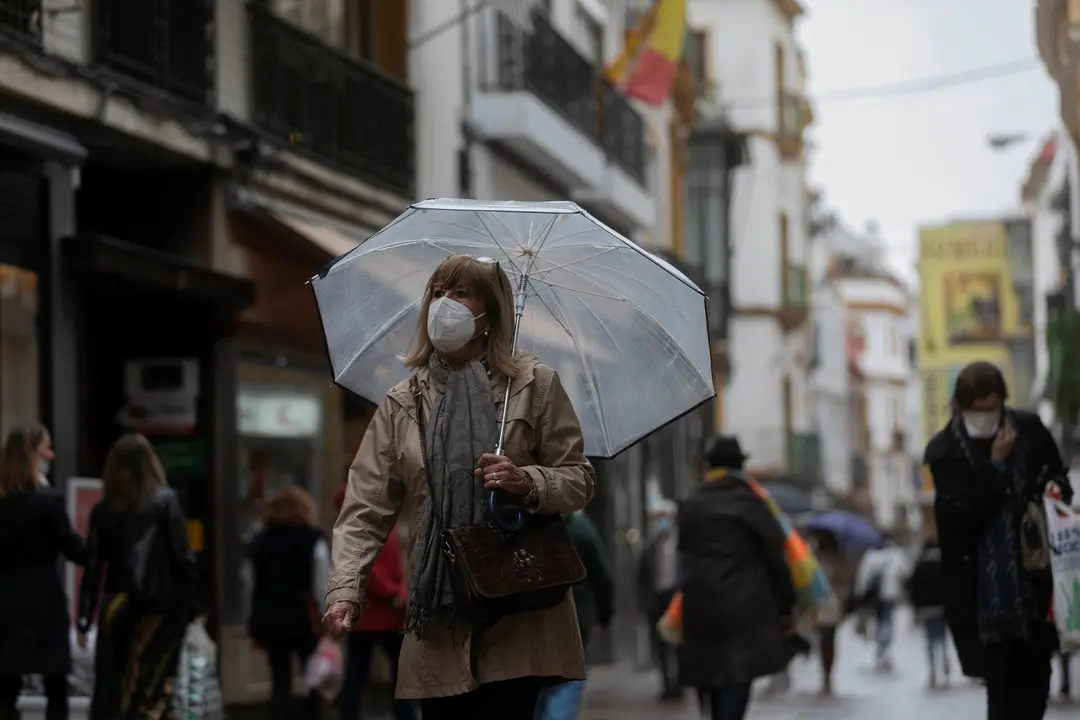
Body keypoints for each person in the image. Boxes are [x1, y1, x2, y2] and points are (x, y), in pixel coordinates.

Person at [322, 255, 596, 720]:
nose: (443, 303)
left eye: (461, 293)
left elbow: (579, 480)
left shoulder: (534, 386)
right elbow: (364, 508)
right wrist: (345, 590)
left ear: (490, 314)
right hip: (438, 614)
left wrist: (526, 480)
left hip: (518, 606)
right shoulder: (403, 403)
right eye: (437, 293)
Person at [925, 361, 1071, 720]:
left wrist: (1055, 488)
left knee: (1036, 688)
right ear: (961, 406)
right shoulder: (946, 452)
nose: (986, 418)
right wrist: (996, 467)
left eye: (993, 409)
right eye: (978, 411)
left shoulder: (1029, 430)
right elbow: (961, 519)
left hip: (1035, 585)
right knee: (1002, 697)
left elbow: (1058, 476)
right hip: (982, 600)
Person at [78, 433, 200, 720]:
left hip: (116, 607)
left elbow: (93, 567)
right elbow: (183, 557)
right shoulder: (166, 502)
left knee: (113, 686)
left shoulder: (103, 510)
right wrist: (193, 604)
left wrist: (84, 617)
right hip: (160, 610)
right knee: (150, 685)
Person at [679, 435, 795, 720]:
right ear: (741, 466)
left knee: (711, 677)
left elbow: (683, 551)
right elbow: (775, 558)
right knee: (737, 677)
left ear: (710, 466)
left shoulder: (692, 504)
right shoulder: (753, 503)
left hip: (700, 605)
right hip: (744, 608)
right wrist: (786, 605)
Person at [0, 425, 85, 720]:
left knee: (6, 685)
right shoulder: (49, 501)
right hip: (44, 601)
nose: (51, 455)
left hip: (6, 601)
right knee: (55, 686)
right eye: (45, 449)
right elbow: (74, 550)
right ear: (31, 455)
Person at [332, 482, 418, 720]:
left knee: (361, 672)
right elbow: (368, 571)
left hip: (375, 614)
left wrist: (401, 591)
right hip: (381, 612)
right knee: (389, 673)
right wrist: (394, 593)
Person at [246, 485, 328, 720]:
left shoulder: (260, 540)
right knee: (315, 677)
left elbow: (250, 582)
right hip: (305, 617)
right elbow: (321, 581)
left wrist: (253, 618)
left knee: (280, 680)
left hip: (271, 616)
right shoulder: (313, 538)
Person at [535, 509, 614, 720]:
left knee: (534, 689)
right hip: (573, 624)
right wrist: (605, 617)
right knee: (566, 684)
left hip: (533, 626)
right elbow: (602, 579)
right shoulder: (581, 530)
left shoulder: (525, 523)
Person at [638, 500, 681, 702]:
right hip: (656, 601)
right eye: (659, 518)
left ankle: (678, 682)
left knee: (678, 644)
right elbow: (641, 579)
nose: (663, 522)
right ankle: (666, 685)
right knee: (660, 645)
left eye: (666, 517)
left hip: (676, 600)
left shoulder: (681, 546)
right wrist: (641, 606)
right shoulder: (649, 548)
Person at [853, 534, 908, 671]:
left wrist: (859, 594)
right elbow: (906, 573)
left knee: (878, 622)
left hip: (875, 596)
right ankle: (885, 648)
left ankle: (880, 648)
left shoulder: (871, 555)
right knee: (888, 621)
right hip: (890, 594)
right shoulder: (897, 555)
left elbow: (863, 576)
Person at [808, 529, 850, 696]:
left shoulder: (816, 559)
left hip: (822, 603)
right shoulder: (834, 560)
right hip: (830, 603)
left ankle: (826, 672)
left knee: (824, 639)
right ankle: (826, 673)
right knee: (828, 640)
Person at [907, 536, 950, 688]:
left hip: (926, 609)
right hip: (942, 608)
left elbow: (913, 588)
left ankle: (933, 670)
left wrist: (916, 607)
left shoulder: (919, 566)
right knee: (942, 638)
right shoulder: (944, 564)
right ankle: (944, 662)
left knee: (930, 640)